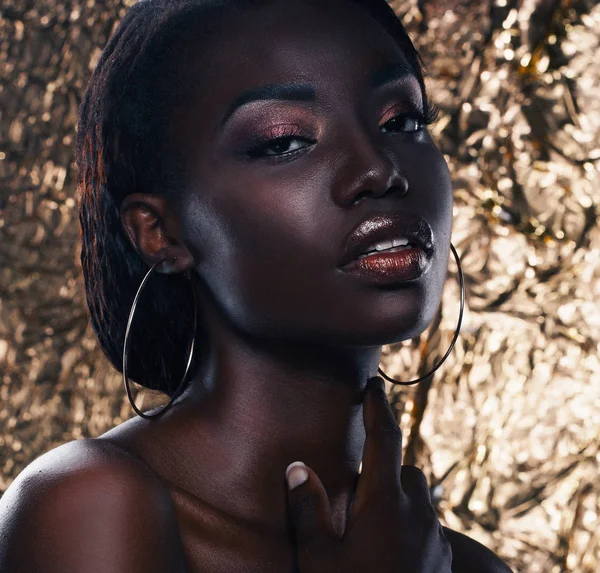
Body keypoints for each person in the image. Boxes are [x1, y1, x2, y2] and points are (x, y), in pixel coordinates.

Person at [0, 0, 513, 571]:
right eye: (284, 141)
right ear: (160, 231)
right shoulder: (87, 508)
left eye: (402, 122)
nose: (379, 168)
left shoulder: (467, 567)